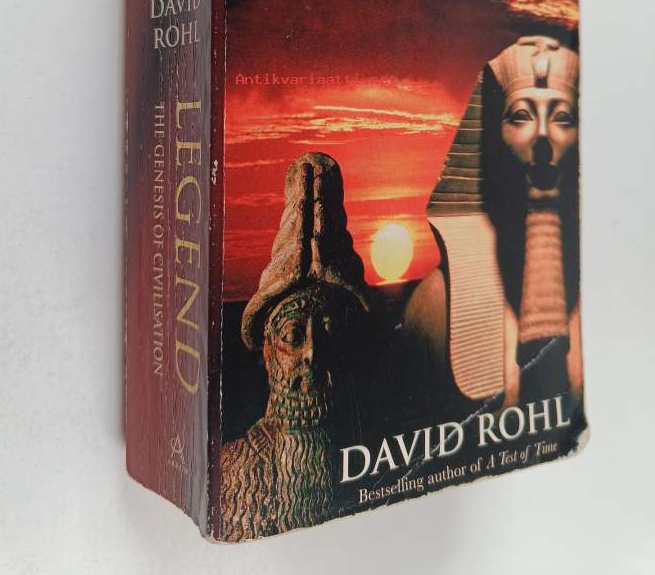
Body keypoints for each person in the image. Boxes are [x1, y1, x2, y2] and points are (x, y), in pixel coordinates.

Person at [405, 36, 582, 412]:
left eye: (563, 117)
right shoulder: (435, 304)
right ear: (491, 139)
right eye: (521, 116)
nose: (542, 139)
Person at [220, 152, 370, 541]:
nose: (313, 354)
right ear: (269, 352)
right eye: (293, 335)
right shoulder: (233, 476)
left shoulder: (371, 454)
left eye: (329, 331)